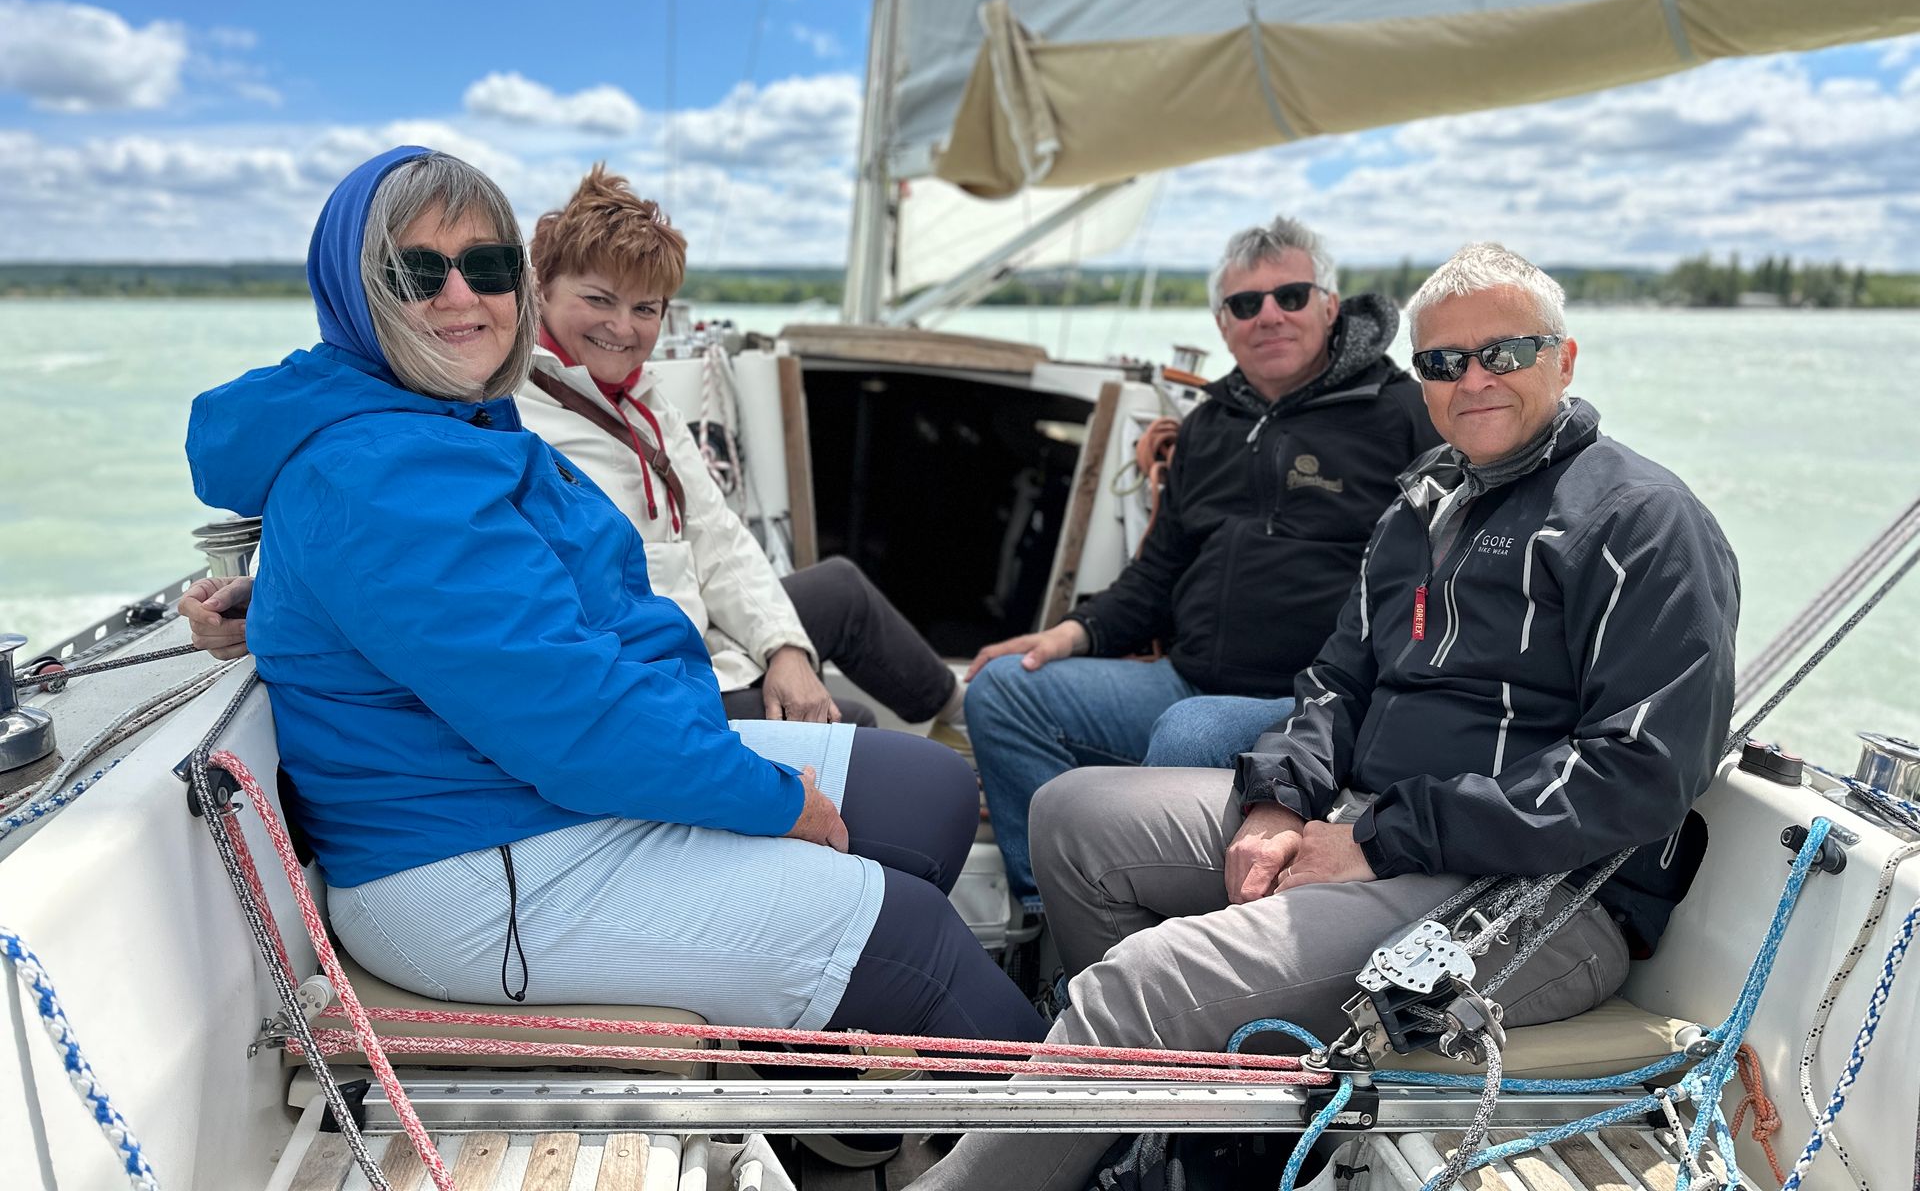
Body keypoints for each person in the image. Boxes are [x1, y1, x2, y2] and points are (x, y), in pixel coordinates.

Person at [911, 243, 1740, 1190]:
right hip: (1370, 824)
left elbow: (1640, 772)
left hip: (1540, 897)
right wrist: (1277, 802)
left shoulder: (1642, 522)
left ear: (1565, 356)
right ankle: (1172, 1123)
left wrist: (1374, 842)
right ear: (1420, 380)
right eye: (1442, 362)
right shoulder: (1424, 505)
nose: (1472, 380)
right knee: (1072, 817)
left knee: (1148, 977)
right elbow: (1336, 681)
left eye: (1503, 353)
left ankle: (1085, 1118)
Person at [184, 146, 1044, 1052]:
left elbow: (440, 596)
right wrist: (775, 803)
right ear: (357, 293)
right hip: (476, 863)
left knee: (932, 794)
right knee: (913, 937)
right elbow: (568, 718)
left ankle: (837, 1047)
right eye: (414, 271)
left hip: (547, 781)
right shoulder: (385, 466)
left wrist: (275, 593)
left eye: (484, 267)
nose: (460, 296)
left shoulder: (435, 419)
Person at [184, 164, 969, 736]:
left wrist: (786, 648)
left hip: (698, 635)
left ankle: (965, 724)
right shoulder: (495, 402)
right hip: (650, 673)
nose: (622, 328)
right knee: (854, 727)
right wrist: (267, 600)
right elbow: (419, 542)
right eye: (596, 299)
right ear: (537, 291)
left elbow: (718, 538)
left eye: (646, 308)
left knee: (840, 591)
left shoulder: (647, 399)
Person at [962, 218, 1441, 907]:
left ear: (1330, 306)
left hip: (1311, 703)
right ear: (1223, 324)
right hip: (1184, 678)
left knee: (1191, 733)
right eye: (1246, 305)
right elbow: (1158, 572)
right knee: (1003, 688)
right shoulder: (1209, 425)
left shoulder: (1402, 414)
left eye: (1292, 296)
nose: (1268, 315)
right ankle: (1058, 909)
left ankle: (1165, 947)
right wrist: (1068, 635)